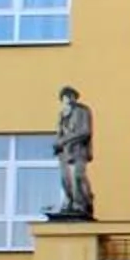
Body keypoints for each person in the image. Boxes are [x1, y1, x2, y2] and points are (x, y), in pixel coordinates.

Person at [50, 87, 95, 219]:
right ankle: (69, 202)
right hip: (64, 152)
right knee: (65, 179)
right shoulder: (62, 114)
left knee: (78, 177)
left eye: (69, 96)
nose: (67, 99)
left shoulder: (83, 111)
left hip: (78, 150)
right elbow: (59, 133)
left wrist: (65, 140)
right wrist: (57, 143)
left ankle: (82, 204)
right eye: (64, 96)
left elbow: (85, 131)